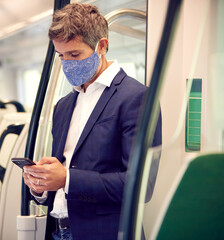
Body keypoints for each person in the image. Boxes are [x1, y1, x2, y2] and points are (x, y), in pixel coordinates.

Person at [22, 3, 162, 240]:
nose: (67, 63)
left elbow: (140, 184)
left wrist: (67, 179)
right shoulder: (64, 106)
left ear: (102, 46)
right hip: (58, 230)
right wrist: (43, 183)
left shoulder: (137, 98)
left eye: (75, 54)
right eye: (61, 56)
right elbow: (65, 173)